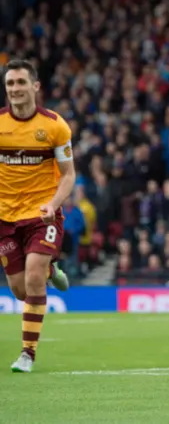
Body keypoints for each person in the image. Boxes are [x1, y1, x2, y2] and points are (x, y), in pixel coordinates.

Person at [0, 59, 75, 373]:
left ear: (35, 86)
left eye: (20, 83)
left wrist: (52, 203)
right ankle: (50, 269)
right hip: (5, 218)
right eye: (10, 84)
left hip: (42, 215)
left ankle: (27, 354)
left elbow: (69, 175)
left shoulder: (55, 126)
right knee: (20, 289)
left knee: (32, 275)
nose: (15, 89)